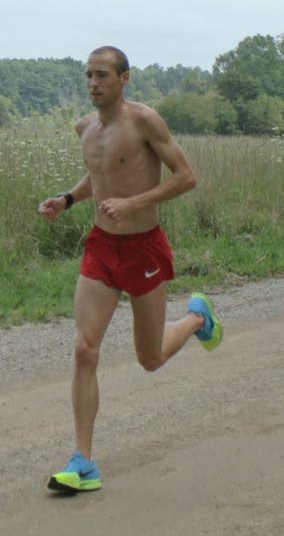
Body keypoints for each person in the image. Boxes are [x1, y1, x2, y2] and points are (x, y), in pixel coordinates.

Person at [36, 45, 222, 494]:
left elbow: (185, 176)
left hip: (143, 249)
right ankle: (83, 462)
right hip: (102, 247)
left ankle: (198, 318)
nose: (93, 83)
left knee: (150, 358)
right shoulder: (84, 128)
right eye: (88, 75)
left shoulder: (144, 120)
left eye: (102, 75)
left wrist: (134, 203)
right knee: (85, 349)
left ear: (124, 79)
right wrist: (66, 200)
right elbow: (99, 177)